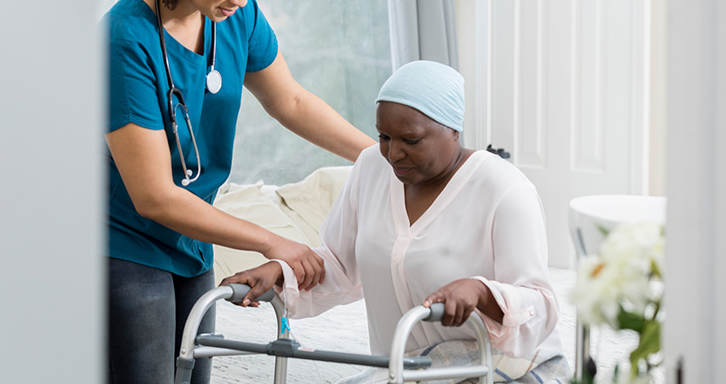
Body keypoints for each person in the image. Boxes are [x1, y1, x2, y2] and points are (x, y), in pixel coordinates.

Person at [103, 0, 376, 383]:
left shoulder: (233, 16)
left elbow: (290, 101)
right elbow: (154, 196)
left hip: (191, 238)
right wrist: (272, 242)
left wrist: (380, 157)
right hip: (125, 241)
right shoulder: (124, 40)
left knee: (193, 375)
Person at [223, 60, 571, 383]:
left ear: (453, 129)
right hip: (406, 371)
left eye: (411, 140)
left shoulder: (504, 189)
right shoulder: (371, 167)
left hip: (498, 366)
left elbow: (540, 304)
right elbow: (340, 265)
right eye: (384, 137)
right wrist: (281, 273)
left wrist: (481, 292)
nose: (392, 154)